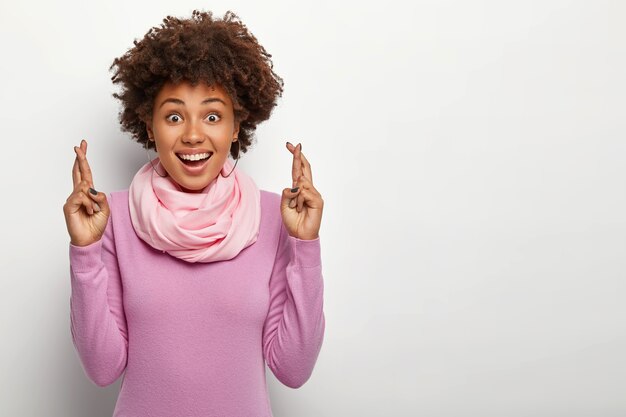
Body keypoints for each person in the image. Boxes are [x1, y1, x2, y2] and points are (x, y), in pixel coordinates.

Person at [62, 10, 325, 417]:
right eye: (173, 116)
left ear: (236, 126)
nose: (192, 135)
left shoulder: (275, 216)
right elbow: (101, 369)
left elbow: (292, 369)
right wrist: (85, 250)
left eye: (213, 115)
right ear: (149, 126)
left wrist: (305, 245)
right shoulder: (111, 217)